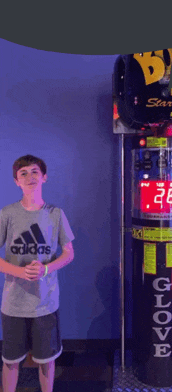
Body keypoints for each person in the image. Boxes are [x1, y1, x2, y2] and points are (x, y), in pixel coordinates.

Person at [0, 154, 75, 392]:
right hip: (13, 304)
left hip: (45, 303)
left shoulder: (56, 214)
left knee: (46, 361)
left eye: (34, 172)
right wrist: (19, 272)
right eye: (23, 173)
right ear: (16, 181)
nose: (29, 177)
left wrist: (45, 269)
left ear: (44, 177)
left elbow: (68, 253)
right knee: (10, 362)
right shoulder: (7, 215)